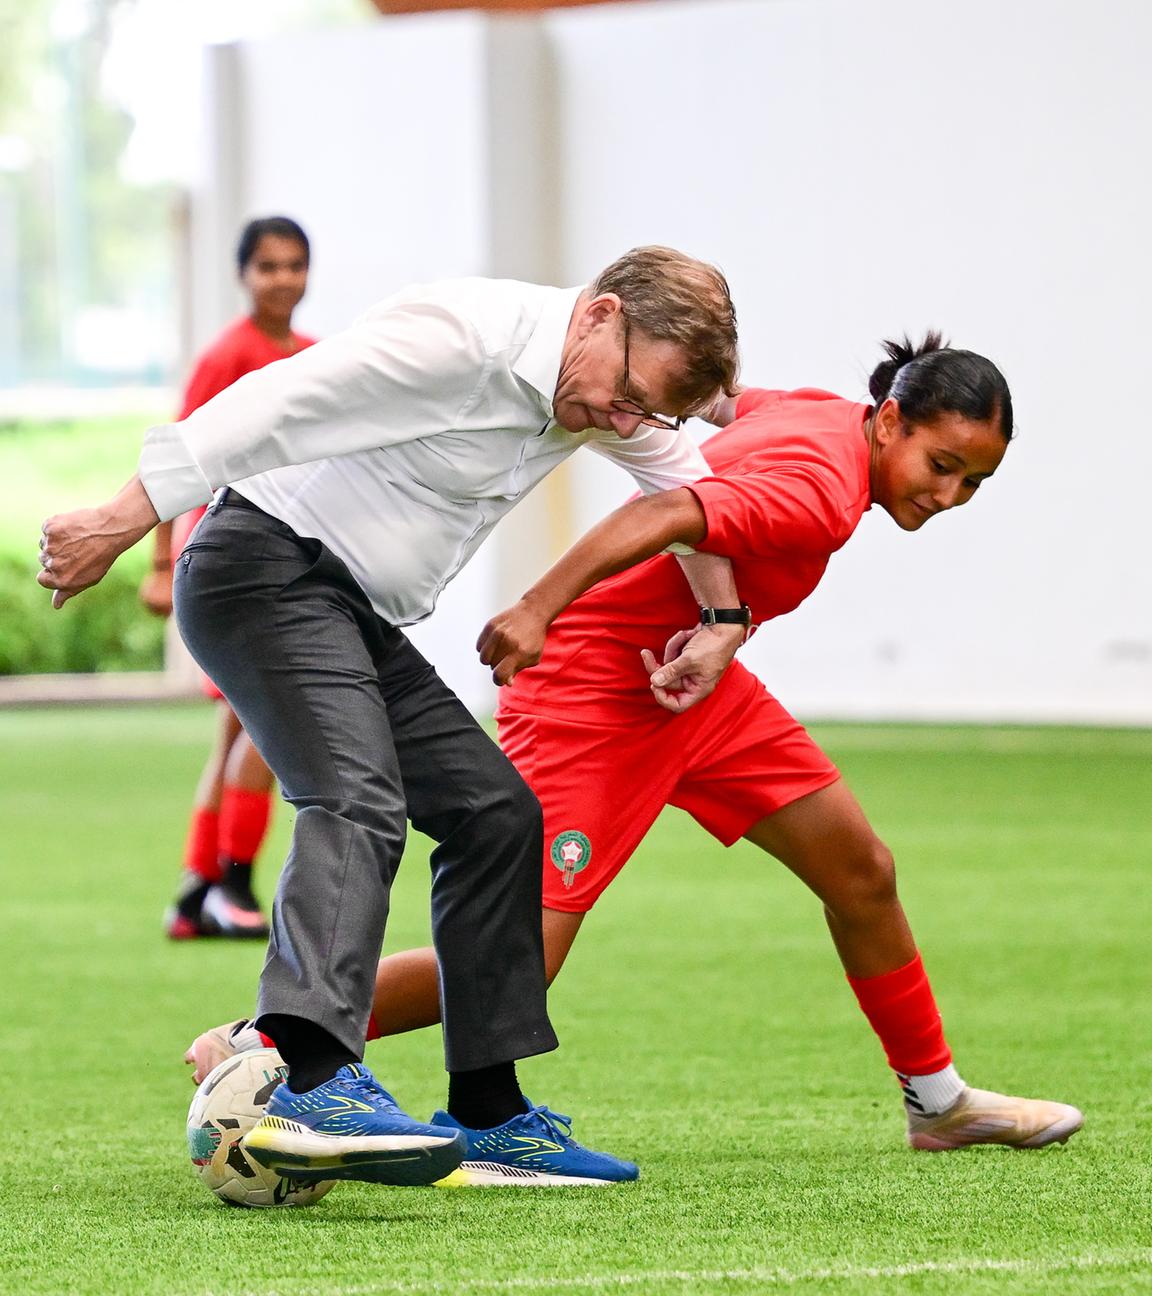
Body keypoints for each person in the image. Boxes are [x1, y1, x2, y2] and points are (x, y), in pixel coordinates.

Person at [187, 334, 1083, 1179]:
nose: (950, 494)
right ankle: (264, 1042)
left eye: (975, 481)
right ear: (891, 422)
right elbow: (667, 511)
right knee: (521, 959)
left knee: (861, 870)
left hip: (697, 684)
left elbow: (726, 409)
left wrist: (723, 620)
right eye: (942, 466)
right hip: (592, 692)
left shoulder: (819, 413)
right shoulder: (820, 485)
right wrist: (537, 607)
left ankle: (938, 1103)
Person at [38, 246, 745, 1189]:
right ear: (602, 315)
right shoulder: (459, 338)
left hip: (351, 608)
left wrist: (721, 620)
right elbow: (269, 403)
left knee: (495, 813)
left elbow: (680, 486)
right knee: (354, 797)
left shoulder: (605, 385)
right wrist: (124, 518)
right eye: (629, 394)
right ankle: (303, 1068)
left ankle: (490, 1115)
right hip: (262, 571)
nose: (625, 421)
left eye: (644, 410)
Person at [141, 216, 317, 942]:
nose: (283, 279)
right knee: (265, 722)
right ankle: (235, 883)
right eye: (268, 266)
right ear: (243, 275)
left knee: (232, 730)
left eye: (295, 265)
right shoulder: (229, 356)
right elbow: (174, 455)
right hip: (232, 560)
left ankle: (196, 893)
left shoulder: (312, 354)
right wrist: (157, 564)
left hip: (284, 552)